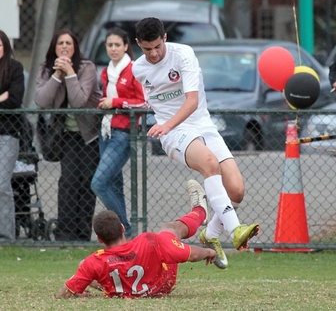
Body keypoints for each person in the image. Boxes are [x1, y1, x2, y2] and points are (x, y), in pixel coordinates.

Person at [132, 17, 259, 269]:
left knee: (236, 190)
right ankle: (235, 230)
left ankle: (210, 233)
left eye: (158, 46)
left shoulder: (184, 55)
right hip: (172, 133)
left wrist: (166, 123)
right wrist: (167, 127)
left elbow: (191, 101)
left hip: (200, 124)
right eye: (147, 49)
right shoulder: (138, 69)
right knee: (210, 163)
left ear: (165, 38)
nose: (154, 53)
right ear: (138, 44)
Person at [60, 180, 216, 298]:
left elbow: (65, 293)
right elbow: (193, 255)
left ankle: (117, 287)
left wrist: (76, 293)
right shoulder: (147, 241)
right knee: (170, 230)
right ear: (122, 228)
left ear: (100, 239)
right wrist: (208, 251)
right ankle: (200, 211)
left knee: (85, 265)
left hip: (123, 289)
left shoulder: (95, 260)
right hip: (160, 287)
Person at [35, 29, 101, 241]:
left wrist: (70, 73)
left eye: (69, 43)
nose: (64, 46)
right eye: (60, 43)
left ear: (75, 48)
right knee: (68, 182)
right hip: (67, 135)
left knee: (87, 182)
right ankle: (65, 232)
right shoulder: (46, 69)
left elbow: (80, 100)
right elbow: (41, 100)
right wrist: (56, 75)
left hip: (90, 134)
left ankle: (82, 233)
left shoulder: (86, 67)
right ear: (54, 47)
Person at [91, 27, 146, 238]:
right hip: (106, 131)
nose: (113, 49)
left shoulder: (134, 69)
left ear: (126, 46)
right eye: (109, 45)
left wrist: (116, 102)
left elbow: (143, 102)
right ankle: (124, 237)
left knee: (98, 183)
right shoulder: (106, 71)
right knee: (114, 184)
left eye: (117, 45)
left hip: (124, 133)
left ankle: (124, 227)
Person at [0, 30, 24, 240]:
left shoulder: (15, 68)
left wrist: (7, 98)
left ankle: (6, 236)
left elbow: (14, 100)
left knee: (1, 183)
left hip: (8, 133)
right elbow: (6, 99)